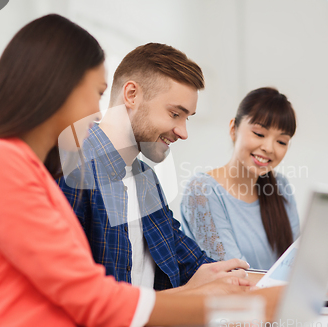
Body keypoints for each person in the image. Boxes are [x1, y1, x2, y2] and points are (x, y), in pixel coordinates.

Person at [0, 15, 283, 327]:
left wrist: (261, 285)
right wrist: (220, 302)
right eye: (98, 93)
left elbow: (173, 264)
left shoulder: (124, 177)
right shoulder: (8, 163)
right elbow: (91, 298)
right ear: (56, 88)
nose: (98, 110)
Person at [57, 43, 251, 291]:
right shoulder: (73, 164)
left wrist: (274, 283)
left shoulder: (146, 180)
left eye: (186, 118)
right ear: (131, 95)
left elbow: (193, 265)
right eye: (174, 114)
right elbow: (70, 289)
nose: (183, 132)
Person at [180, 87, 328, 293]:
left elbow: (295, 264)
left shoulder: (280, 187)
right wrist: (315, 284)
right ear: (233, 129)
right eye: (259, 133)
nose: (269, 148)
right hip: (227, 316)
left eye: (281, 141)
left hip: (275, 312)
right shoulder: (202, 191)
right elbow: (234, 278)